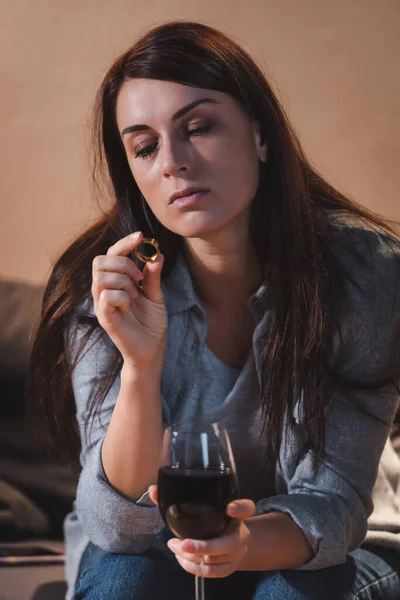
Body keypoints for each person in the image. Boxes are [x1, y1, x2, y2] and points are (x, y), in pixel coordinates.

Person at [28, 20, 400, 600]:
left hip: (316, 543)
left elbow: (335, 504)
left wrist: (243, 544)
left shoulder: (362, 275)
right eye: (145, 146)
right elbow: (117, 527)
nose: (172, 161)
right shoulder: (105, 284)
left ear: (260, 135)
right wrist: (140, 366)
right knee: (122, 583)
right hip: (157, 547)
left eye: (198, 127)